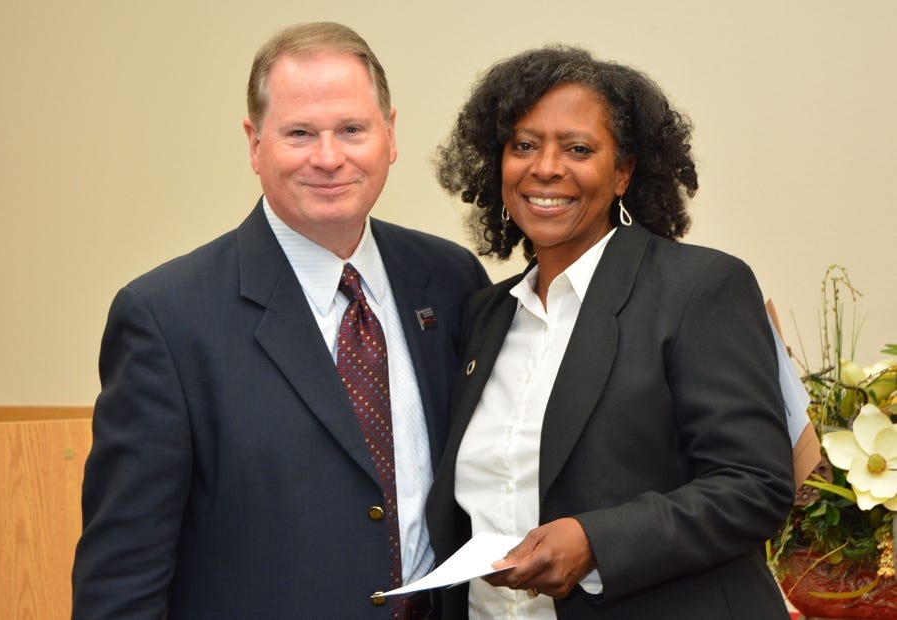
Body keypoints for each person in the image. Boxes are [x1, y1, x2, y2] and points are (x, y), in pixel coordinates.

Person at [71, 22, 489, 619]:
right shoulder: (166, 319)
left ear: (389, 134)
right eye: (299, 132)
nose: (328, 156)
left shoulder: (449, 280)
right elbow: (122, 578)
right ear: (254, 142)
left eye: (351, 129)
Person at [425, 45, 794, 619]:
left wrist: (598, 543)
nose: (545, 167)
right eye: (523, 145)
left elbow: (754, 484)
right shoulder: (485, 314)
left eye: (578, 149)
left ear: (622, 173)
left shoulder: (699, 288)